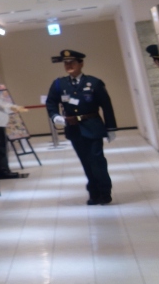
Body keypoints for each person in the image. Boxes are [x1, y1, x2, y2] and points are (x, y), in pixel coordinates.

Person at [46, 49, 117, 205]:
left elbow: (106, 106)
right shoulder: (59, 84)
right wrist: (55, 116)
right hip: (74, 129)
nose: (69, 65)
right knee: (85, 161)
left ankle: (105, 192)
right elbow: (50, 102)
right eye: (66, 63)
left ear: (81, 63)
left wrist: (111, 128)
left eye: (72, 62)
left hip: (93, 126)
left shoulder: (94, 83)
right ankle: (94, 193)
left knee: (97, 160)